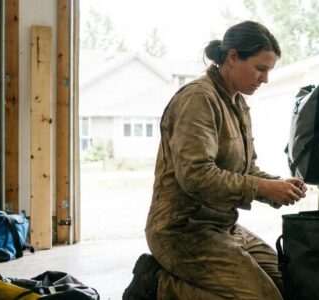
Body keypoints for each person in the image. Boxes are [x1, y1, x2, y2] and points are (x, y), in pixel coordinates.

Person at [123, 20, 306, 300]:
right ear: (232, 57)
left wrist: (278, 186)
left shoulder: (237, 102)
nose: (265, 78)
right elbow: (197, 176)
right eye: (260, 68)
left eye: (269, 70)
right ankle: (159, 284)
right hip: (182, 230)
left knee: (295, 285)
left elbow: (247, 170)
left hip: (223, 226)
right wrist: (261, 188)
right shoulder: (198, 100)